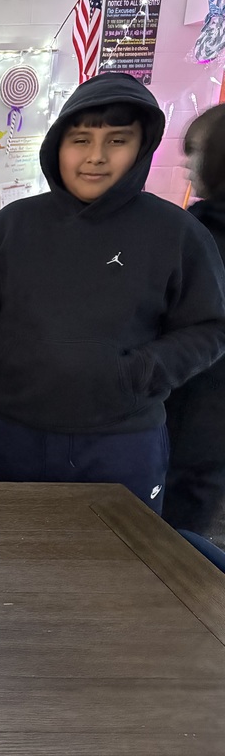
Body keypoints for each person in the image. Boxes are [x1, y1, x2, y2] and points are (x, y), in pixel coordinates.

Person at [0, 73, 225, 511]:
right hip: (7, 435)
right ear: (58, 144)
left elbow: (209, 327)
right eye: (80, 140)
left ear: (141, 147)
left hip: (121, 442)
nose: (95, 157)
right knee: (4, 561)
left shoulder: (178, 233)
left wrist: (141, 373)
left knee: (116, 572)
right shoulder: (10, 227)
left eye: (117, 140)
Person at [163, 104, 225, 543]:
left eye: (197, 151)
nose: (187, 165)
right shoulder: (191, 227)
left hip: (189, 420)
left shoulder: (194, 234)